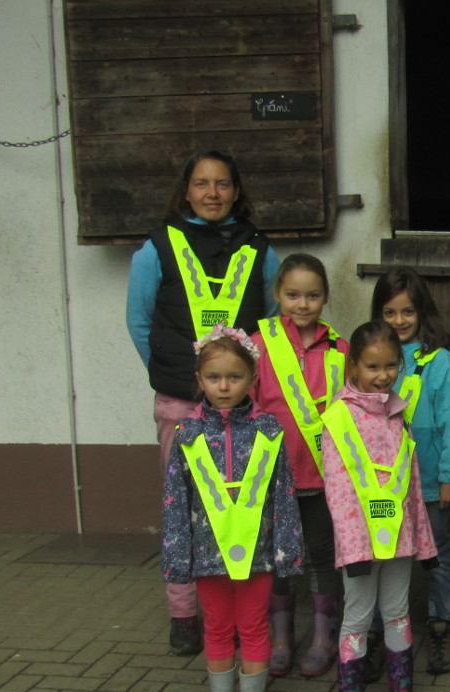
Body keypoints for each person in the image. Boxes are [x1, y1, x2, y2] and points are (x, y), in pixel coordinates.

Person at [127, 149, 281, 656]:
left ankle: (239, 616)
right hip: (180, 403)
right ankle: (184, 614)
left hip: (245, 410)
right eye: (201, 184)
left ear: (237, 190)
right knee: (184, 508)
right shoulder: (158, 247)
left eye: (222, 184)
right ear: (186, 191)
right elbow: (140, 321)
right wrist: (173, 370)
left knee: (242, 506)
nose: (212, 193)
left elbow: (275, 323)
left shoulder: (261, 249)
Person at [161, 327, 305, 692]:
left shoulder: (268, 430)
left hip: (257, 554)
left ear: (253, 377)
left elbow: (283, 494)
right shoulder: (186, 433)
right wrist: (176, 557)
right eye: (214, 378)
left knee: (253, 625)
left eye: (235, 377)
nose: (224, 387)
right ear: (200, 379)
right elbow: (174, 499)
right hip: (207, 553)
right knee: (218, 627)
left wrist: (287, 554)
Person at [321, 321, 437, 692]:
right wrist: (353, 548)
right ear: (354, 366)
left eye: (391, 365)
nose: (383, 375)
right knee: (356, 616)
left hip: (400, 538)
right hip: (360, 544)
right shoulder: (338, 417)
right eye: (373, 366)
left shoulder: (398, 413)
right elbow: (338, 487)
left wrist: (421, 537)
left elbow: (412, 485)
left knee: (397, 612)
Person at [249, 254, 348, 678]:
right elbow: (245, 403)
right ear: (277, 296)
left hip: (324, 479)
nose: (302, 304)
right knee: (278, 558)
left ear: (325, 297)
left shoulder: (340, 349)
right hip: (274, 476)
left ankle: (326, 639)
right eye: (292, 295)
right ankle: (282, 639)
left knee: (324, 556)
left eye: (312, 295)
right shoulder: (258, 344)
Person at [371, 267, 450, 675]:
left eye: (407, 311)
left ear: (421, 312)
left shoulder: (440, 362)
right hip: (382, 486)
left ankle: (441, 624)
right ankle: (378, 634)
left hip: (429, 483)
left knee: (438, 558)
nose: (399, 321)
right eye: (390, 312)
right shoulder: (371, 359)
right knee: (382, 556)